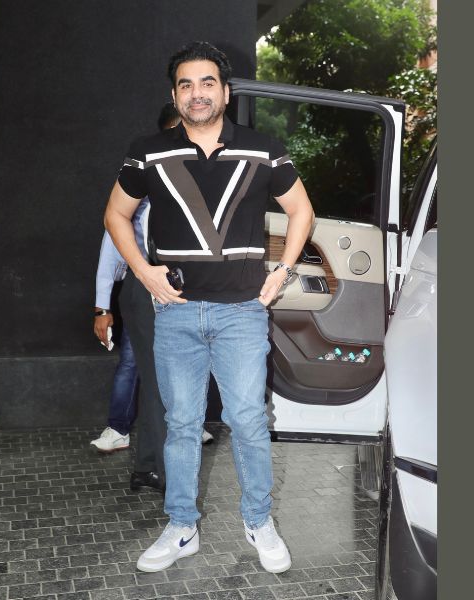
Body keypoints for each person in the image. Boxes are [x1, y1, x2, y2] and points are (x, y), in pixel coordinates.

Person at [104, 42, 314, 573]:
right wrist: (143, 270)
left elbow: (301, 211)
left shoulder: (263, 149)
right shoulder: (147, 151)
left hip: (241, 312)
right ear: (174, 94)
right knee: (180, 424)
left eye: (207, 83)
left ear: (225, 90)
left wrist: (283, 272)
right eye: (186, 85)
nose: (197, 93)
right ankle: (181, 527)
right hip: (176, 311)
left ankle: (258, 521)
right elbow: (115, 215)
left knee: (248, 421)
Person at [90, 103, 214, 484]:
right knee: (165, 385)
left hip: (180, 293)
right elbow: (111, 242)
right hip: (146, 292)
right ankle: (167, 476)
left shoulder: (197, 183)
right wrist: (101, 307)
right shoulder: (144, 179)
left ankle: (147, 466)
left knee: (160, 382)